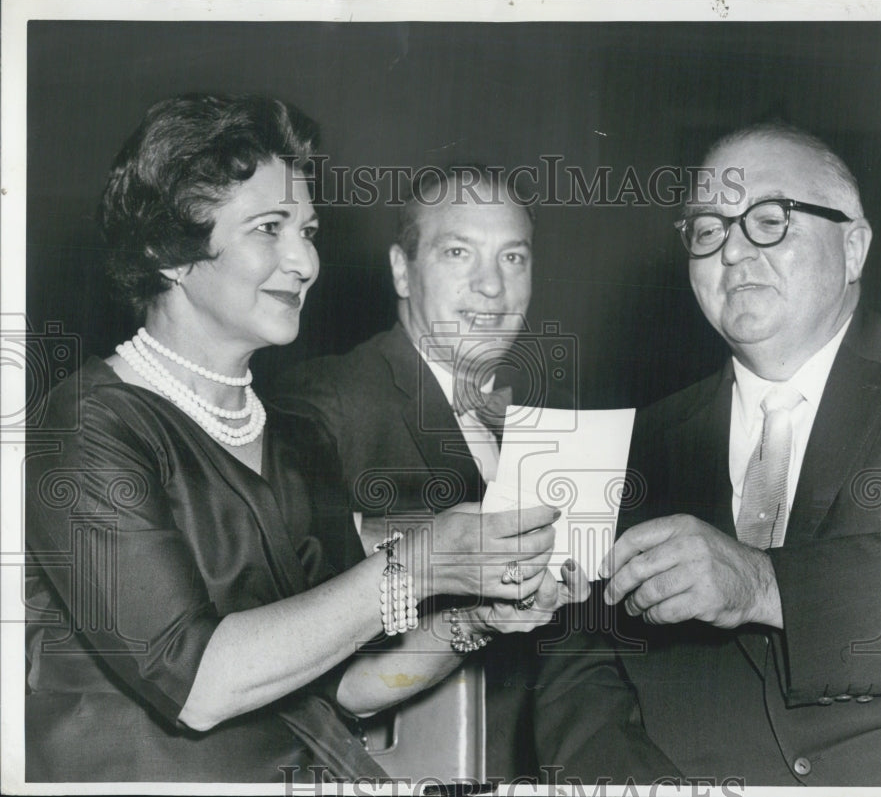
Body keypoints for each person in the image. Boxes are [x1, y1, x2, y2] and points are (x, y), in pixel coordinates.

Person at [23, 94, 587, 783]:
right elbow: (197, 684)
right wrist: (415, 565)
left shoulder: (288, 439)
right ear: (167, 250)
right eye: (269, 228)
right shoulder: (88, 426)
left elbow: (350, 684)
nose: (305, 262)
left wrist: (479, 620)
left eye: (309, 230)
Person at [534, 122, 881, 787]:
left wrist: (764, 584)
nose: (733, 252)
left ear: (853, 247)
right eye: (708, 231)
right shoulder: (616, 452)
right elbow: (577, 689)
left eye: (769, 220)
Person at [273, 166, 573, 777]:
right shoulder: (324, 402)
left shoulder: (538, 428)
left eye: (513, 257)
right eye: (459, 252)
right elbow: (291, 649)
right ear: (401, 270)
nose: (492, 286)